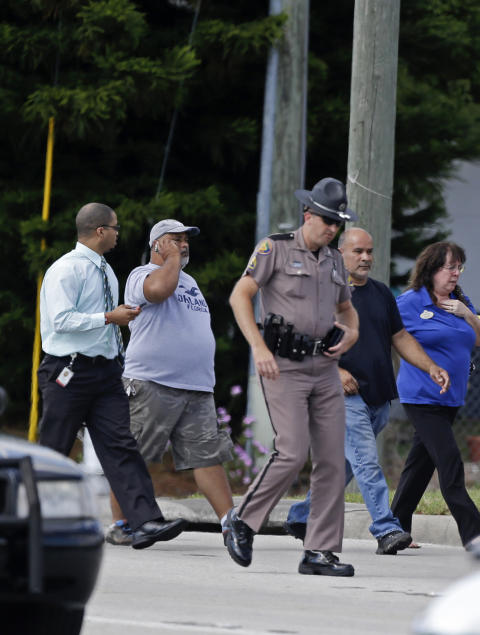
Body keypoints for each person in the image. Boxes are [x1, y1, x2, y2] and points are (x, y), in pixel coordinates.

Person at [283, 228, 451, 555]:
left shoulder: (380, 293)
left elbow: (400, 337)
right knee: (366, 462)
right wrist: (336, 370)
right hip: (341, 396)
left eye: (370, 252)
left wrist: (429, 366)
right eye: (358, 251)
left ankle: (302, 516)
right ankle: (386, 529)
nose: (366, 258)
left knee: (346, 464)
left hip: (379, 396)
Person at [224, 178, 360, 577]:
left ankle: (319, 551)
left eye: (338, 224)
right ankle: (242, 520)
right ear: (308, 215)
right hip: (283, 365)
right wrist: (258, 348)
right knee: (292, 451)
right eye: (327, 221)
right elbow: (240, 295)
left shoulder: (335, 261)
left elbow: (347, 311)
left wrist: (350, 333)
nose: (332, 229)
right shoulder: (275, 248)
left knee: (333, 459)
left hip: (324, 368)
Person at [37, 202, 186, 549]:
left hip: (105, 372)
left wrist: (116, 337)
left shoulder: (105, 268)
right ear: (100, 230)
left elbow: (106, 318)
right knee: (54, 450)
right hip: (68, 371)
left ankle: (144, 522)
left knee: (121, 444)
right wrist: (108, 317)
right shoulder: (66, 269)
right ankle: (34, 519)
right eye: (116, 228)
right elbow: (60, 320)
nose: (119, 234)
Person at [103, 219, 235, 546]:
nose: (184, 244)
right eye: (176, 240)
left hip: (197, 387)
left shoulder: (188, 281)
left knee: (208, 457)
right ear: (157, 245)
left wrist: (175, 260)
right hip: (151, 382)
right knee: (135, 457)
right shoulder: (140, 274)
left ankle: (233, 526)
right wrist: (172, 259)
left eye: (186, 240)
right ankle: (123, 524)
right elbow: (159, 291)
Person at [390, 242, 480, 549]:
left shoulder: (460, 301)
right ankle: (475, 534)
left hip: (452, 397)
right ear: (431, 270)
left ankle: (393, 528)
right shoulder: (409, 303)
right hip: (421, 396)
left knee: (420, 465)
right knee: (449, 462)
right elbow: (390, 337)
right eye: (450, 267)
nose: (455, 274)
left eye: (459, 267)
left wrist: (467, 315)